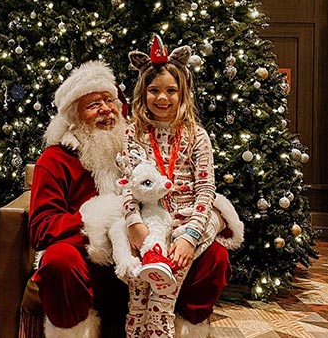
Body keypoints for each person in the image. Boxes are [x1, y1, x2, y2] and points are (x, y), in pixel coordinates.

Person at [121, 35, 244, 338]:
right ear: (143, 93)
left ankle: (162, 328)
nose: (162, 98)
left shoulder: (197, 136)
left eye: (171, 91)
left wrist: (190, 236)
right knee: (138, 293)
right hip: (150, 221)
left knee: (164, 293)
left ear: (183, 93)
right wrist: (134, 223)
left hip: (190, 221)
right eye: (154, 90)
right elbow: (126, 184)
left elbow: (206, 190)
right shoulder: (133, 133)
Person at [28, 60, 129, 338]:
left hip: (137, 260)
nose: (106, 109)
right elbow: (41, 228)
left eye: (109, 100)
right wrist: (95, 222)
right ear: (73, 117)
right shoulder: (55, 160)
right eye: (94, 105)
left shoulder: (137, 151)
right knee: (58, 258)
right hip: (84, 266)